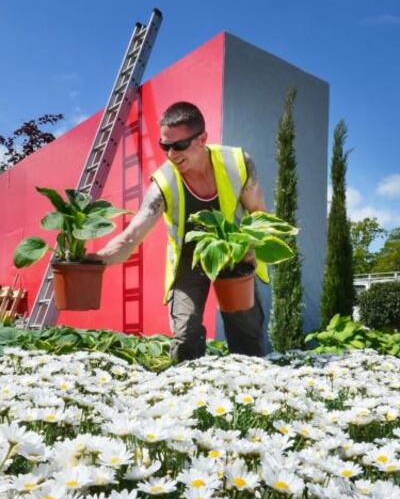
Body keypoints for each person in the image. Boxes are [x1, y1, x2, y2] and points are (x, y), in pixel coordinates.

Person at [87, 102, 268, 362]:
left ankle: (250, 388)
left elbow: (259, 213)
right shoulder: (164, 182)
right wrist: (97, 260)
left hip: (231, 253)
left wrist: (250, 248)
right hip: (188, 259)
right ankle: (187, 390)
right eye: (165, 146)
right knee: (185, 335)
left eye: (179, 145)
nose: (171, 155)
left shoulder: (238, 163)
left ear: (202, 138)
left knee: (246, 332)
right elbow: (133, 235)